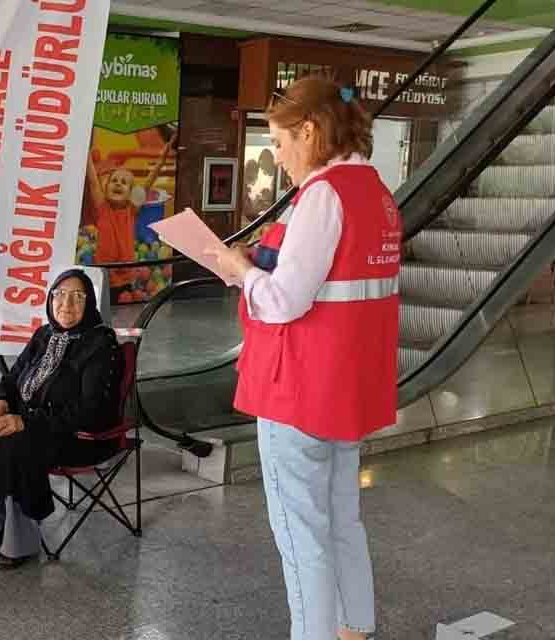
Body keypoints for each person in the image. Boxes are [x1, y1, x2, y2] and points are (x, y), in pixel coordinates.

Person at [203, 75, 400, 640]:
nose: (278, 154)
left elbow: (287, 301)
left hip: (298, 389)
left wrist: (241, 270)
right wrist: (251, 272)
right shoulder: (378, 194)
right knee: (340, 519)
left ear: (310, 131)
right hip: (346, 388)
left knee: (300, 535)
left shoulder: (323, 195)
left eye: (280, 139)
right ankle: (354, 627)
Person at [0, 269, 124, 568]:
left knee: (17, 446)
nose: (66, 304)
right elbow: (11, 380)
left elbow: (91, 410)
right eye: (59, 295)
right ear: (49, 298)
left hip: (76, 436)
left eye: (78, 297)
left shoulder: (101, 344)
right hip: (26, 425)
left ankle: (20, 542)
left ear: (91, 303)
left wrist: (25, 423)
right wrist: (0, 405)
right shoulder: (44, 335)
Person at [84, 132, 176, 298]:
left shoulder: (131, 210)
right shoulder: (102, 208)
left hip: (126, 279)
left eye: (124, 182)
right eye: (114, 181)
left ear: (131, 194)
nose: (118, 183)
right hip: (104, 275)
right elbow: (93, 182)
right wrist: (86, 152)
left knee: (126, 299)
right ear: (105, 189)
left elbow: (148, 182)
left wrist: (162, 160)